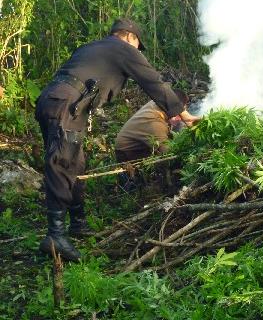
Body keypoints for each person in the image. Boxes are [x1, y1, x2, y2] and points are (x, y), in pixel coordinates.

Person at [35, 18, 201, 261]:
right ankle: (55, 236)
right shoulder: (123, 49)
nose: (136, 50)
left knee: (76, 164)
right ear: (129, 37)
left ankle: (77, 223)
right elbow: (153, 82)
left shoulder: (92, 47)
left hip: (56, 102)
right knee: (62, 163)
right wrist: (184, 115)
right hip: (67, 106)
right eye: (137, 44)